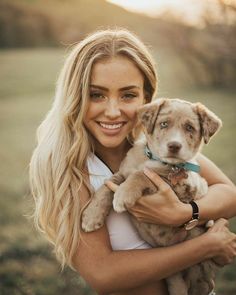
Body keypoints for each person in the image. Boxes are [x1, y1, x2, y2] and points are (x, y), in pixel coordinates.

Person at [29, 28, 236, 295]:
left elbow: (230, 193)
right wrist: (205, 246)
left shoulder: (157, 149)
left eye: (128, 95)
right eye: (96, 95)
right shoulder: (69, 168)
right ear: (75, 96)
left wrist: (186, 212)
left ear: (146, 99)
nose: (113, 111)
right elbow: (104, 274)